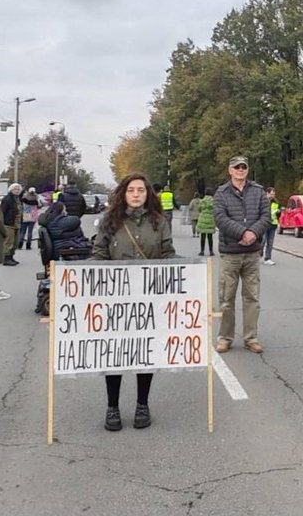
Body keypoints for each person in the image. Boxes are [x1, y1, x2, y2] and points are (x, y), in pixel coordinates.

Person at [92, 172, 175, 431]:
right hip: (116, 299)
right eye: (131, 190)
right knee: (114, 354)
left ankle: (142, 404)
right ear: (123, 194)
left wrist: (190, 273)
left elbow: (168, 254)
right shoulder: (109, 221)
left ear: (148, 194)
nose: (136, 194)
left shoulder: (159, 221)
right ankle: (112, 407)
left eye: (141, 190)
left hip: (150, 299)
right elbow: (99, 253)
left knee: (145, 353)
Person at [212, 155, 270, 354]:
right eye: (236, 167)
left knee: (252, 297)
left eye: (243, 167)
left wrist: (253, 232)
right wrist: (242, 232)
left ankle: (251, 338)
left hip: (252, 253)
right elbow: (220, 218)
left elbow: (266, 216)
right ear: (230, 170)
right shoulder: (221, 193)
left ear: (247, 170)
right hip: (230, 253)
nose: (240, 170)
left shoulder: (258, 191)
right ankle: (225, 337)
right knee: (226, 298)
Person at [0, 183, 23, 266]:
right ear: (11, 190)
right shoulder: (7, 199)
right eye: (15, 189)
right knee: (9, 242)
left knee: (15, 242)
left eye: (18, 189)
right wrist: (4, 221)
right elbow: (2, 211)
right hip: (9, 223)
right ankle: (6, 258)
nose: (17, 190)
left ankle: (11, 256)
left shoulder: (18, 199)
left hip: (17, 223)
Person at [262, 187, 279, 265]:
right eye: (271, 194)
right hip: (264, 224)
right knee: (262, 241)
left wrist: (279, 212)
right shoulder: (262, 201)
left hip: (273, 224)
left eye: (274, 194)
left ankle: (268, 258)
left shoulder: (276, 202)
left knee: (270, 243)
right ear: (267, 193)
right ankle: (259, 253)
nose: (272, 196)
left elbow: (277, 213)